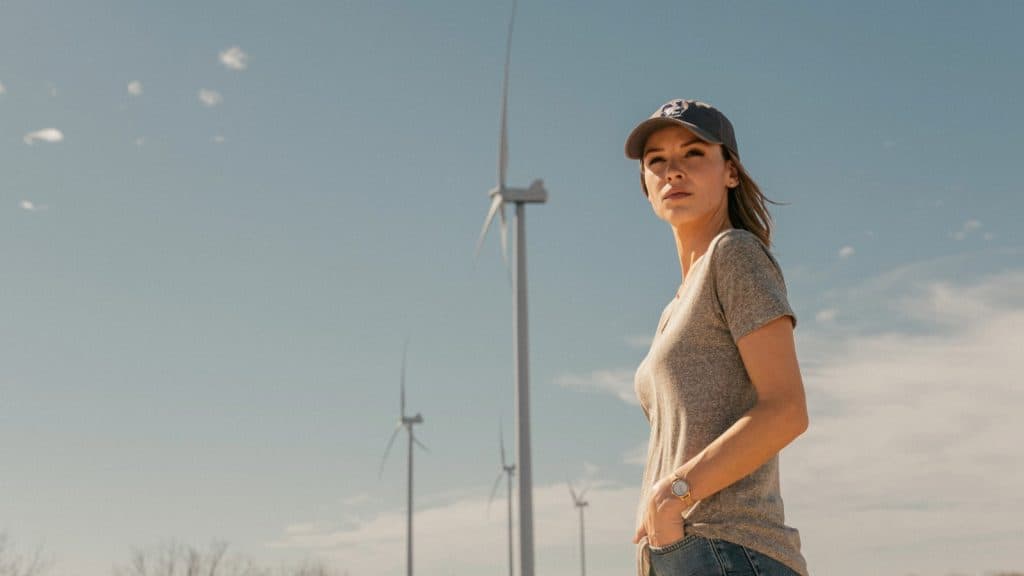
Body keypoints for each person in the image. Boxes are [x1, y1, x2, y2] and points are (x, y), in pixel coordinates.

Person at [625, 99, 810, 576]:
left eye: (693, 155)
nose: (673, 172)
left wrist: (674, 495)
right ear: (645, 185)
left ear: (730, 171)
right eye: (657, 162)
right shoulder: (674, 306)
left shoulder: (735, 254)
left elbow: (786, 409)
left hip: (727, 548)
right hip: (684, 553)